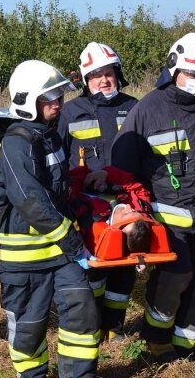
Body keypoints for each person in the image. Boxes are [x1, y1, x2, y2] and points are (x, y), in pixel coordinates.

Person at [112, 32, 195, 363]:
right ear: (174, 68)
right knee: (176, 276)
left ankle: (185, 346)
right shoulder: (148, 109)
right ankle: (157, 340)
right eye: (191, 74)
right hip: (169, 217)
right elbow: (123, 167)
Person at [0, 59, 115, 378]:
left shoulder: (51, 137)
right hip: (26, 254)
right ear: (27, 101)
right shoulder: (16, 143)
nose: (57, 104)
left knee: (81, 306)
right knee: (30, 322)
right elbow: (30, 200)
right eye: (48, 98)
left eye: (58, 96)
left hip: (61, 252)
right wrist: (73, 241)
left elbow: (58, 192)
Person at [58, 42, 139, 341]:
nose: (104, 80)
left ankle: (114, 325)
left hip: (126, 201)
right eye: (96, 75)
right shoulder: (70, 112)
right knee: (94, 269)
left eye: (108, 73)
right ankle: (93, 323)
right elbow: (58, 157)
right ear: (84, 80)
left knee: (125, 268)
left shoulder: (134, 107)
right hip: (86, 205)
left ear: (118, 74)